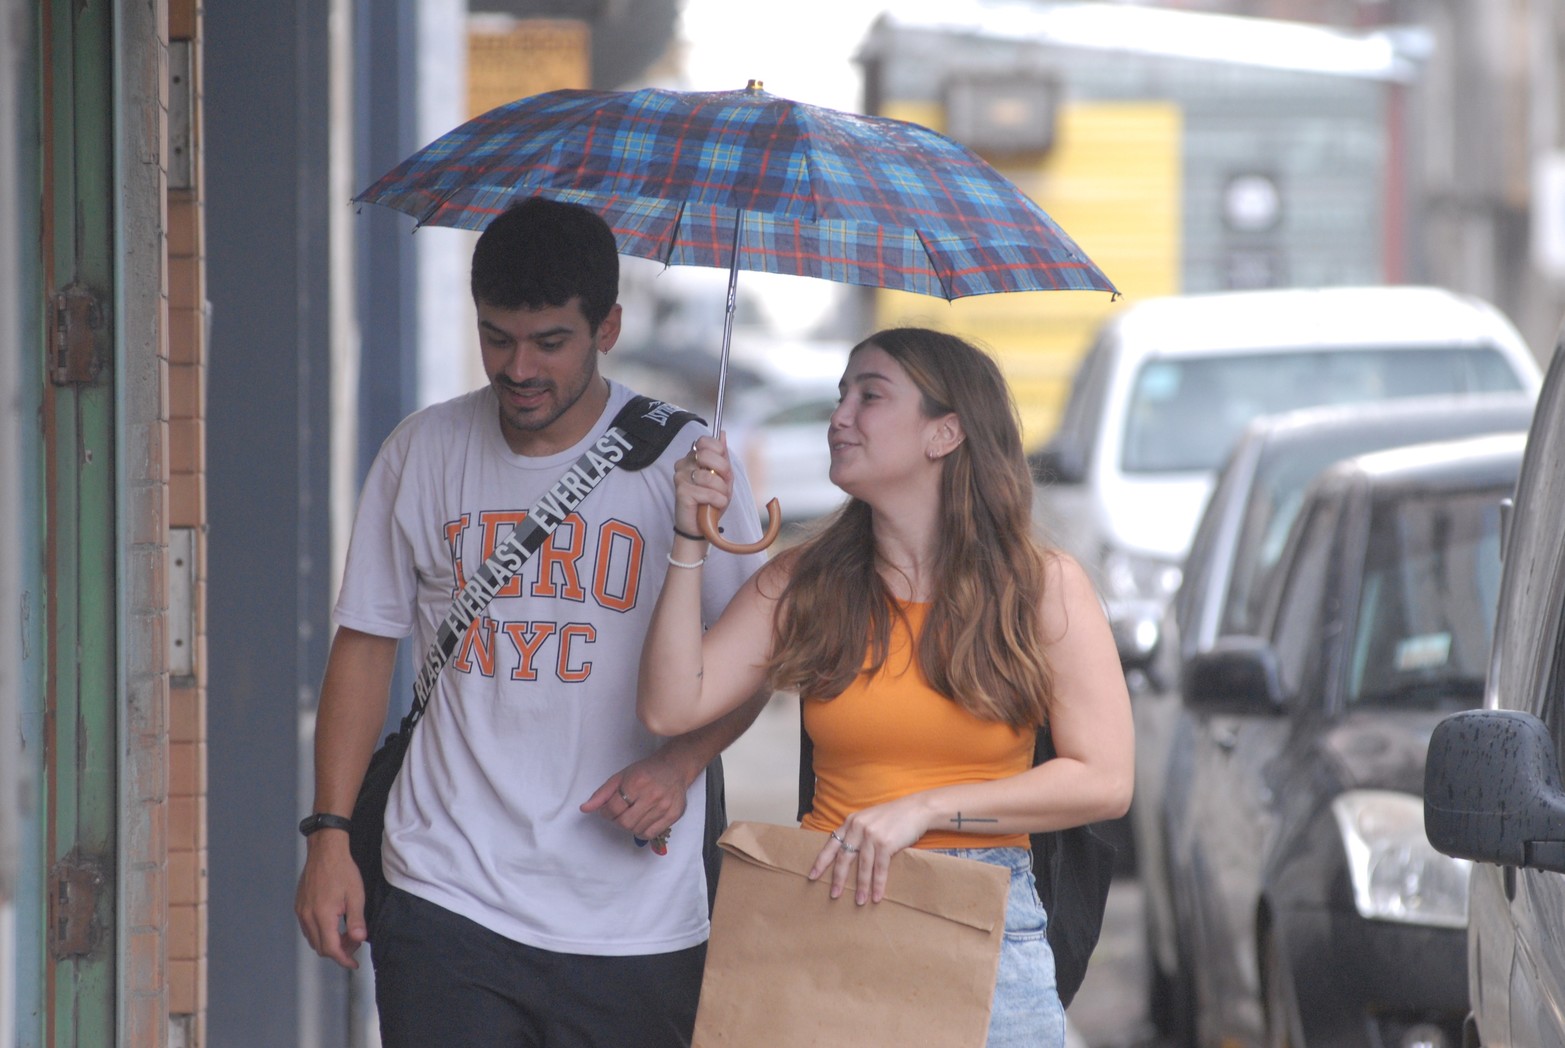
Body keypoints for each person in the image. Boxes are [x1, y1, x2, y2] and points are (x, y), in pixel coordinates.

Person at [294, 196, 770, 1048]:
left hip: (634, 915)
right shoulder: (422, 451)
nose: (518, 367)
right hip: (448, 891)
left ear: (608, 327)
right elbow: (364, 648)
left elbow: (756, 659)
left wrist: (681, 763)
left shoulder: (687, 466)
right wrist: (328, 836)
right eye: (496, 337)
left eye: (549, 341)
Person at [637, 327, 1134, 1048]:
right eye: (840, 395)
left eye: (869, 396)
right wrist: (687, 540)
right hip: (828, 907)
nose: (839, 416)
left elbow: (1103, 781)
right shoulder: (803, 582)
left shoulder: (1040, 587)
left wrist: (923, 809)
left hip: (982, 917)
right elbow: (669, 704)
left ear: (945, 433)